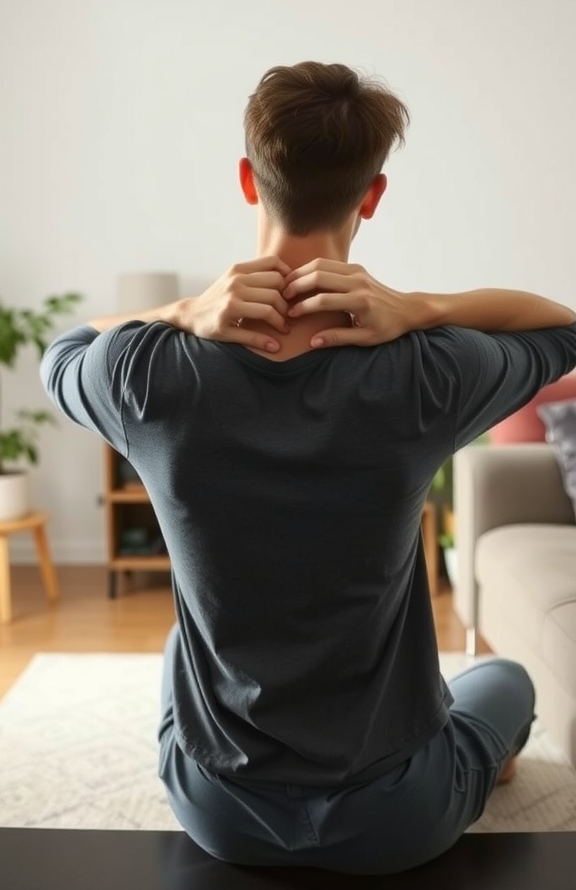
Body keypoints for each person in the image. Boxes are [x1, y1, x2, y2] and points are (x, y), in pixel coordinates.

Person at [40, 61, 576, 875]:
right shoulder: (424, 372)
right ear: (373, 195)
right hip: (397, 819)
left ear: (249, 180)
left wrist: (184, 312)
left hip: (219, 811)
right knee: (505, 679)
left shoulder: (149, 373)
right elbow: (565, 331)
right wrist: (422, 307)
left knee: (179, 654)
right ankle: (475, 767)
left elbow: (63, 350)